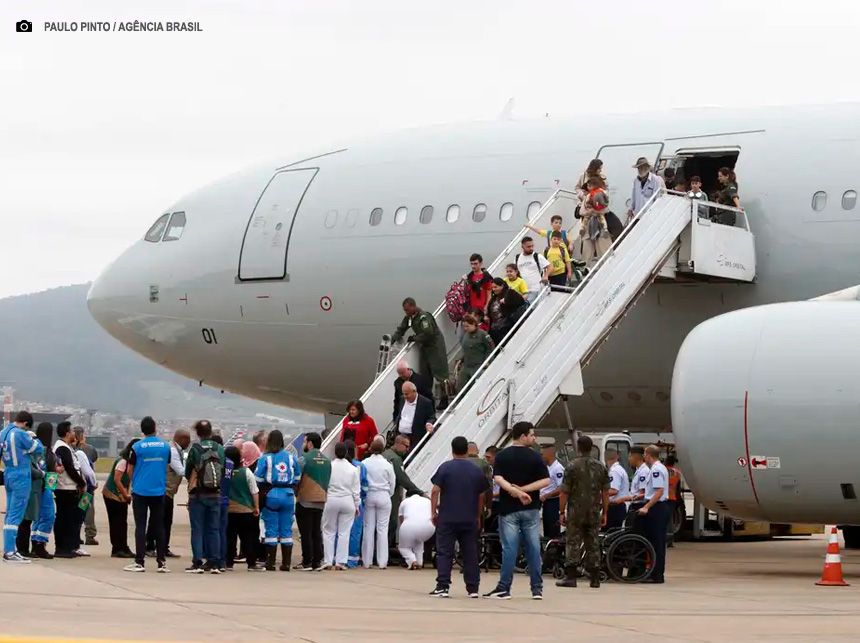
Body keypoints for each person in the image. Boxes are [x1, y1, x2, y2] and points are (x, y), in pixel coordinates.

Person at [485, 421, 549, 600]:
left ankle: (504, 588)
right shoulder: (536, 457)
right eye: (532, 434)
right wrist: (525, 490)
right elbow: (546, 481)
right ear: (523, 436)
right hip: (531, 509)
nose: (534, 438)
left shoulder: (502, 456)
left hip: (508, 509)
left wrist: (515, 491)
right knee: (534, 548)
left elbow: (498, 479)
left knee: (509, 549)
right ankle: (537, 589)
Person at [429, 436, 491, 598]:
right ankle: (473, 588)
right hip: (469, 517)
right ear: (467, 450)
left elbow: (435, 490)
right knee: (470, 552)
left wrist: (433, 512)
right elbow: (481, 496)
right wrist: (478, 516)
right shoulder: (476, 470)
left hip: (448, 517)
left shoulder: (445, 468)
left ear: (452, 450)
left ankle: (443, 586)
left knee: (444, 551)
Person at [556, 435, 609, 588]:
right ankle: (595, 578)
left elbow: (564, 492)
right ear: (591, 447)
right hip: (593, 511)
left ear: (578, 447)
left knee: (573, 541)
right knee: (593, 542)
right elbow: (605, 492)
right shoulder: (600, 467)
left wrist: (561, 511)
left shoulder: (571, 466)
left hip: (575, 511)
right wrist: (605, 512)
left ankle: (571, 576)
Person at [124, 416, 172, 573]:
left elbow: (130, 469)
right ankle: (161, 562)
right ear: (155, 428)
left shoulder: (137, 447)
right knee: (159, 526)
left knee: (140, 526)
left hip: (140, 491)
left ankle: (140, 561)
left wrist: (136, 481)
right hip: (158, 491)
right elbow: (166, 465)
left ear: (142, 430)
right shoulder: (165, 446)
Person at [390, 298, 450, 409]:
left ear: (413, 306)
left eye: (407, 310)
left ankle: (445, 398)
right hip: (425, 347)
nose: (406, 312)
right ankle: (428, 400)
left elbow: (429, 333)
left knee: (440, 373)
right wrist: (392, 340)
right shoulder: (409, 317)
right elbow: (401, 329)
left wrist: (415, 338)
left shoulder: (424, 317)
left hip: (435, 346)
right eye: (405, 310)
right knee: (425, 375)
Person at [255, 429, 301, 572]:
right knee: (286, 530)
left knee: (271, 530)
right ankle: (286, 564)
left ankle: (270, 563)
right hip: (288, 495)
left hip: (272, 495)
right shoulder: (291, 457)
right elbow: (298, 477)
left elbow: (258, 478)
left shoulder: (265, 458)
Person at [185, 419, 227, 574]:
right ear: (211, 432)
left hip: (198, 494)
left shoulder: (195, 448)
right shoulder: (219, 448)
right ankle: (214, 562)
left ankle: (197, 562)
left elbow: (188, 471)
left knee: (197, 529)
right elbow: (222, 467)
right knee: (214, 529)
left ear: (198, 433)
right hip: (215, 493)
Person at [1, 411, 43, 563]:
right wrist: (33, 438)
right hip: (21, 475)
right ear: (25, 423)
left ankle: (9, 548)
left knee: (10, 514)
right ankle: (10, 551)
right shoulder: (20, 434)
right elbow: (38, 449)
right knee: (16, 514)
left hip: (8, 472)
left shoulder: (3, 433)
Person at [147, 428, 189, 559]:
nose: (189, 444)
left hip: (168, 492)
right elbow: (181, 471)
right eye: (188, 441)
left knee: (165, 521)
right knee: (159, 520)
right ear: (182, 439)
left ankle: (163, 547)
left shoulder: (178, 450)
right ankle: (151, 546)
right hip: (164, 491)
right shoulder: (172, 451)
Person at [294, 432, 330, 571]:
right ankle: (317, 561)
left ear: (309, 443)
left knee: (306, 532)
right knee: (316, 531)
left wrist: (296, 492)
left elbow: (296, 479)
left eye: (305, 442)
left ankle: (307, 561)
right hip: (321, 500)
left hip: (305, 500)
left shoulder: (303, 459)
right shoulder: (327, 460)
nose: (303, 444)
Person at [321, 442, 360, 570]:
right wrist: (357, 505)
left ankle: (328, 560)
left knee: (328, 531)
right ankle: (340, 562)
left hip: (331, 499)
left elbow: (324, 484)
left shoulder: (329, 466)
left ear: (334, 452)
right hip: (347, 500)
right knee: (344, 532)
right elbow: (356, 490)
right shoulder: (353, 469)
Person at [52, 421, 87, 559]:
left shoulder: (67, 447)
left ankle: (69, 546)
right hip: (65, 488)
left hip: (70, 487)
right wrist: (82, 482)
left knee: (70, 519)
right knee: (64, 518)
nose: (74, 434)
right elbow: (70, 468)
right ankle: (62, 548)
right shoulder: (62, 448)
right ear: (67, 434)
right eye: (72, 431)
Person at [224, 446, 261, 572]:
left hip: (229, 511)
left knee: (230, 538)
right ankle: (251, 563)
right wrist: (256, 507)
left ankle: (228, 563)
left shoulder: (225, 473)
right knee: (248, 538)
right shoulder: (247, 472)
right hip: (246, 511)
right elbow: (254, 491)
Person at [383, 434, 423, 548]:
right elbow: (402, 479)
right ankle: (386, 552)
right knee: (392, 523)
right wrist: (419, 492)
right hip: (390, 497)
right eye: (406, 446)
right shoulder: (395, 459)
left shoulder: (385, 455)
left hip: (380, 495)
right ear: (398, 443)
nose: (407, 449)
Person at [638, 445, 670, 583]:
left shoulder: (656, 469)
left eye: (644, 454)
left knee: (657, 543)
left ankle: (657, 575)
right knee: (655, 541)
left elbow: (659, 492)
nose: (643, 457)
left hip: (657, 508)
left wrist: (646, 506)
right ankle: (654, 572)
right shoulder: (658, 468)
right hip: (657, 506)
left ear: (649, 455)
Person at [362, 436, 396, 569]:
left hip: (369, 495)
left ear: (370, 449)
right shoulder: (388, 465)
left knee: (368, 528)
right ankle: (382, 562)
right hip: (384, 495)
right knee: (382, 529)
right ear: (383, 450)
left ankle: (367, 561)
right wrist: (388, 494)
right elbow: (392, 483)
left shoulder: (365, 463)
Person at [102, 439, 139, 559]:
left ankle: (123, 547)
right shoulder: (123, 462)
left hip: (120, 495)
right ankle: (117, 548)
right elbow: (117, 480)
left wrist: (126, 495)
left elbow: (128, 481)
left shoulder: (131, 462)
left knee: (122, 522)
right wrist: (126, 495)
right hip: (112, 494)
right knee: (116, 522)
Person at [28, 422, 57, 559]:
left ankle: (35, 543)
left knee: (38, 516)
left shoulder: (38, 446)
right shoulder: (42, 449)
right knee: (48, 515)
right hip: (44, 485)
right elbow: (44, 468)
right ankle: (40, 544)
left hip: (40, 486)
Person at [71, 430, 97, 557]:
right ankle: (89, 534)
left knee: (76, 511)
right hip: (87, 486)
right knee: (87, 510)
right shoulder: (88, 449)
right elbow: (92, 463)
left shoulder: (70, 449)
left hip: (75, 486)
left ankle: (76, 536)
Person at [456, 313, 494, 391]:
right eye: (464, 326)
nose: (465, 328)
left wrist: (488, 361)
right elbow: (465, 350)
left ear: (473, 324)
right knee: (460, 386)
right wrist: (460, 360)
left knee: (477, 388)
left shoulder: (482, 334)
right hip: (467, 365)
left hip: (478, 365)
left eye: (467, 326)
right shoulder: (466, 335)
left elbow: (490, 349)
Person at [345, 440, 368, 568]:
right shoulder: (360, 466)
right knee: (355, 531)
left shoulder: (336, 464)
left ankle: (337, 558)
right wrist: (363, 499)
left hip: (341, 498)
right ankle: (352, 559)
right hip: (356, 501)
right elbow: (365, 486)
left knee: (340, 531)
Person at [393, 382, 436, 449]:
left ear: (414, 391)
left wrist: (428, 423)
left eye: (407, 394)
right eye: (403, 394)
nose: (405, 396)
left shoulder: (425, 402)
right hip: (400, 436)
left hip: (414, 438)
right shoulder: (402, 399)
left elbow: (431, 417)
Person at [398, 490, 433, 570]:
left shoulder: (405, 501)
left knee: (404, 548)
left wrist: (404, 533)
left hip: (409, 525)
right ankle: (420, 562)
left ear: (407, 496)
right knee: (419, 541)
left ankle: (412, 560)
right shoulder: (427, 501)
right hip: (428, 527)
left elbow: (401, 518)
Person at [486, 278, 527, 345]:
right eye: (492, 287)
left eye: (495, 287)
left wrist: (507, 301)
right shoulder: (494, 298)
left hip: (508, 326)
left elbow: (521, 301)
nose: (493, 289)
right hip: (496, 328)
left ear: (502, 286)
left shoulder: (510, 292)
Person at [539, 444, 565, 539]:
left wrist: (547, 495)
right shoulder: (548, 467)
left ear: (549, 454)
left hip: (553, 503)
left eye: (542, 454)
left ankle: (554, 551)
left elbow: (561, 487)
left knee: (553, 530)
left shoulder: (558, 468)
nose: (541, 457)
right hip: (545, 502)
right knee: (547, 530)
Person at [628, 157, 666, 221]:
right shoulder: (636, 181)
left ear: (647, 168)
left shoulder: (655, 180)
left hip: (649, 216)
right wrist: (631, 208)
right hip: (638, 215)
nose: (641, 169)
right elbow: (634, 196)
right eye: (639, 168)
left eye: (643, 167)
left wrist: (656, 214)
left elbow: (657, 198)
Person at [515, 237, 551, 303]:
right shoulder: (517, 258)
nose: (531, 248)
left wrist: (546, 276)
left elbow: (550, 266)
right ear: (522, 246)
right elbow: (516, 272)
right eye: (528, 246)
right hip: (523, 291)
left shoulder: (537, 256)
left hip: (536, 289)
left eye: (532, 246)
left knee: (530, 308)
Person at [605, 451, 630, 531]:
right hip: (618, 506)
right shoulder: (619, 469)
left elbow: (613, 490)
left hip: (615, 507)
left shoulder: (614, 471)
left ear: (606, 459)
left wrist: (599, 494)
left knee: (609, 532)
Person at [665, 454, 682, 548]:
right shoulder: (677, 473)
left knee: (663, 519)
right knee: (670, 519)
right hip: (673, 498)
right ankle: (670, 540)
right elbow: (678, 488)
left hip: (664, 497)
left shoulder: (663, 470)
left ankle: (664, 539)